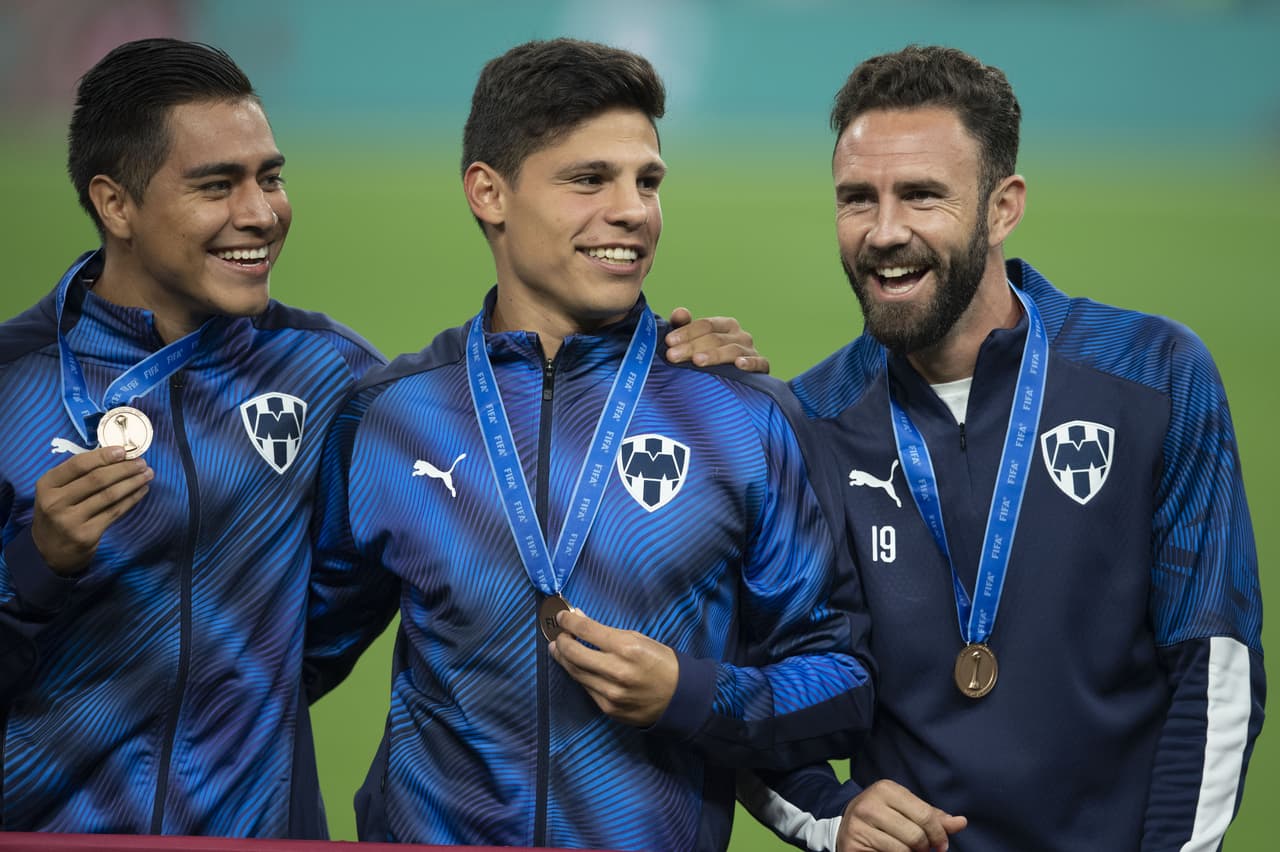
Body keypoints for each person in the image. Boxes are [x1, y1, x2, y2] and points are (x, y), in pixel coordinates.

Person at [0, 37, 753, 838]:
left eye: (272, 177)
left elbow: (325, 630)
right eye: (217, 186)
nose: (261, 212)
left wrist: (682, 369)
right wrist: (32, 568)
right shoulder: (14, 385)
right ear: (116, 204)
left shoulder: (336, 379)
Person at [305, 37, 875, 852]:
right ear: (488, 193)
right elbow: (282, 662)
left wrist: (692, 694)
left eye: (647, 180)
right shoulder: (393, 418)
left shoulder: (741, 416)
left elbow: (842, 680)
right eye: (589, 179)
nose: (634, 210)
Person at [737, 45, 1265, 852]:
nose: (884, 232)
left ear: (1002, 206)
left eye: (921, 195)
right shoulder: (805, 424)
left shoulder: (1154, 377)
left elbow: (1214, 666)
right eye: (856, 198)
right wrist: (833, 810)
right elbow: (765, 685)